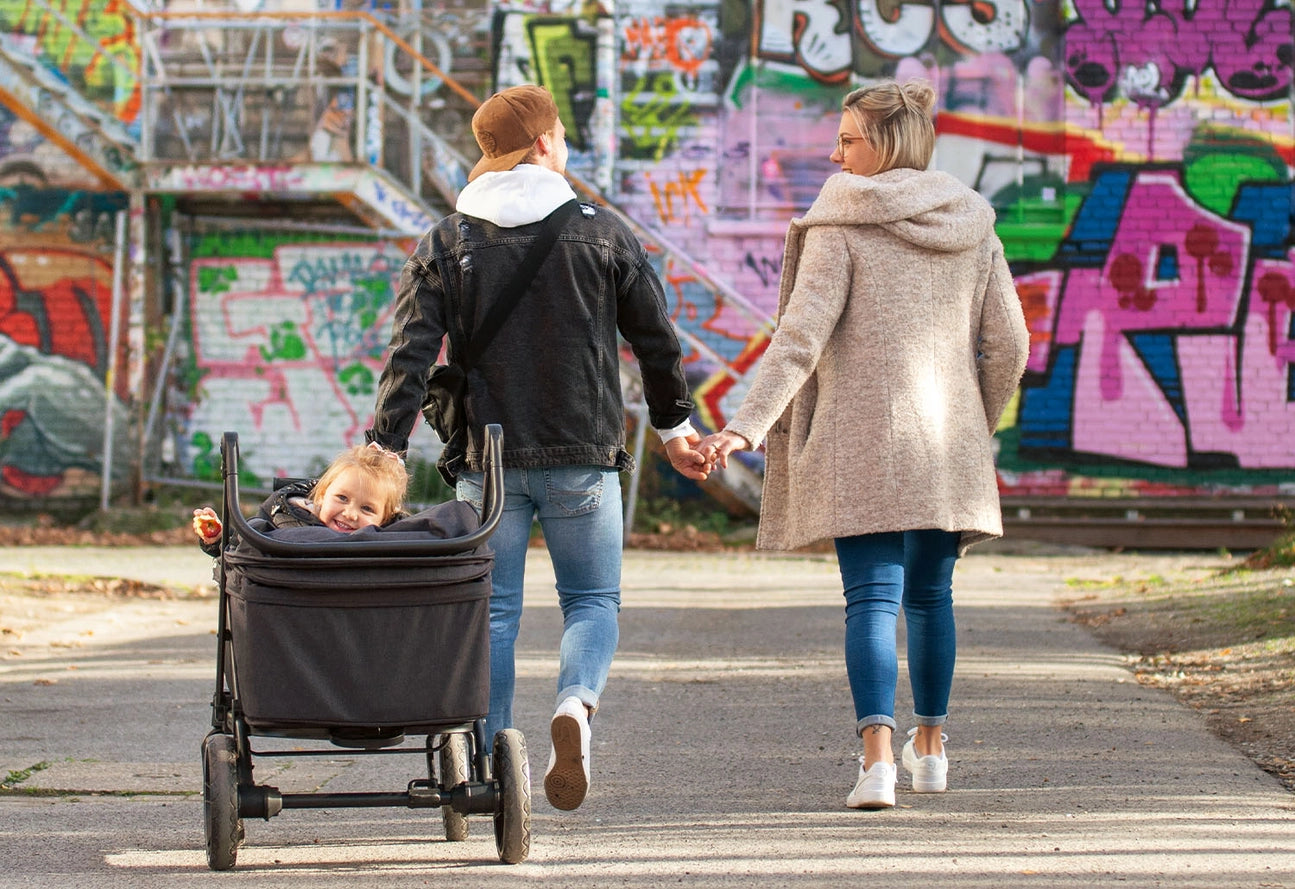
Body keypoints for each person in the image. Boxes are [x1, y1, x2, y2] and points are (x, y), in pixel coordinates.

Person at [366, 84, 709, 812]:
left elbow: (411, 353)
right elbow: (656, 341)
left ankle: (491, 766)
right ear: (547, 143)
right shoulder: (603, 231)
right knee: (592, 600)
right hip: (582, 453)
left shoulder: (446, 240)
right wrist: (676, 429)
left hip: (485, 465)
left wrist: (384, 447)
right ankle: (575, 704)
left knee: (491, 612)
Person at [699, 80, 1029, 810]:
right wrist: (973, 422)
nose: (834, 153)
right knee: (931, 595)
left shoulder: (841, 219)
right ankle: (931, 749)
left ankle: (877, 761)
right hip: (947, 444)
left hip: (860, 442)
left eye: (847, 139)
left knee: (871, 600)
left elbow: (800, 339)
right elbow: (1009, 342)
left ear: (885, 144)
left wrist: (744, 426)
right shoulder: (973, 222)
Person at [192, 441, 409, 555]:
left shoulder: (389, 547)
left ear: (384, 518)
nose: (350, 514)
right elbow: (241, 550)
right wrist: (219, 539)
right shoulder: (284, 518)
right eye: (342, 498)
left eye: (367, 509)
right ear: (322, 495)